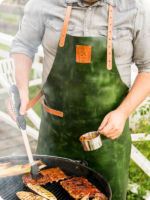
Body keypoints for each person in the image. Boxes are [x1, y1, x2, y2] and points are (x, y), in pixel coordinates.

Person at [6, 0, 150, 199]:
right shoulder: (43, 3)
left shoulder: (135, 8)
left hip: (109, 140)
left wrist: (123, 112)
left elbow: (148, 68)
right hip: (56, 135)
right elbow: (24, 45)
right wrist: (21, 87)